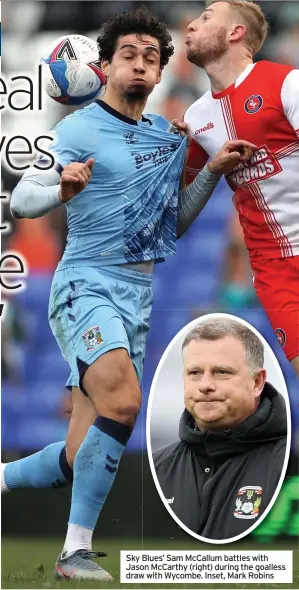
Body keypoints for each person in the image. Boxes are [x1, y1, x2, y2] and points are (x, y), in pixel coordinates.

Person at [3, 6, 254, 581]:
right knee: (123, 404)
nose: (140, 65)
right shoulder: (77, 130)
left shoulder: (168, 140)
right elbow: (20, 204)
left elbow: (173, 225)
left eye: (150, 57)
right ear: (107, 67)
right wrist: (61, 188)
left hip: (137, 292)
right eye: (128, 56)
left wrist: (210, 171)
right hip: (85, 283)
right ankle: (75, 553)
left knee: (73, 459)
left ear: (161, 70)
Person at [183, 0, 299, 376]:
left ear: (236, 32)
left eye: (205, 18)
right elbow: (177, 212)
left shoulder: (287, 83)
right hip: (273, 271)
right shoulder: (195, 119)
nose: (190, 26)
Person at [153, 316, 287, 540]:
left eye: (221, 372)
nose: (205, 385)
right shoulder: (159, 466)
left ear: (257, 383)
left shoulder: (287, 462)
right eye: (194, 373)